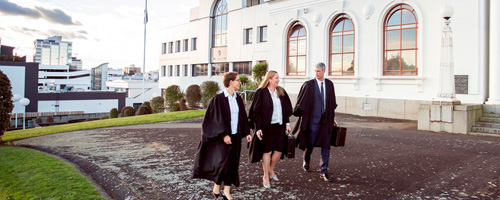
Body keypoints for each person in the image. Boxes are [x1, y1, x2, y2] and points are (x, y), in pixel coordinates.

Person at [193, 72, 252, 200]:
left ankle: (226, 191)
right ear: (230, 82)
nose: (239, 82)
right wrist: (224, 135)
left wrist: (247, 132)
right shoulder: (218, 99)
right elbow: (214, 119)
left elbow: (243, 117)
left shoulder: (238, 98)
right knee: (223, 163)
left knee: (233, 163)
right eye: (237, 80)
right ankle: (216, 187)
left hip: (235, 136)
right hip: (222, 138)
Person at [292, 62, 338, 182]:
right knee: (310, 143)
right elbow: (301, 102)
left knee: (326, 144)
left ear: (324, 71)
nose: (316, 73)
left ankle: (324, 170)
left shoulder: (329, 84)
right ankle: (306, 160)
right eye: (315, 71)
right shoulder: (309, 85)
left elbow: (331, 103)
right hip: (312, 120)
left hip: (326, 120)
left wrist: (332, 117)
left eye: (318, 71)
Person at [248, 70, 293, 189]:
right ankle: (266, 176)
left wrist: (287, 123)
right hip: (266, 127)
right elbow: (256, 111)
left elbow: (286, 109)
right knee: (267, 151)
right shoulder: (261, 92)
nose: (278, 80)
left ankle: (270, 168)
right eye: (276, 78)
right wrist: (258, 128)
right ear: (269, 80)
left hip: (279, 126)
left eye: (278, 78)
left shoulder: (281, 91)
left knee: (279, 150)